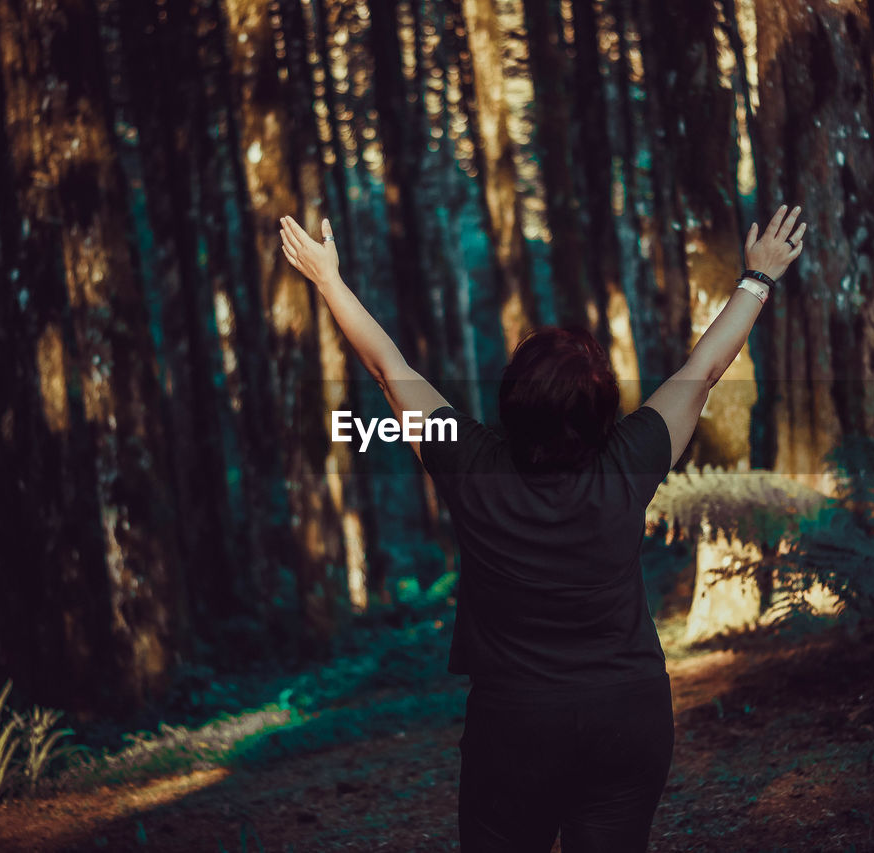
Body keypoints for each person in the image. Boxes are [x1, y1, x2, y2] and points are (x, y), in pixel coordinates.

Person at [280, 204, 806, 852]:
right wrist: (759, 277)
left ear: (510, 402)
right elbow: (704, 373)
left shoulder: (469, 463)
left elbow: (390, 372)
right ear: (601, 409)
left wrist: (328, 278)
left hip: (516, 727)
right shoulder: (630, 459)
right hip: (628, 714)